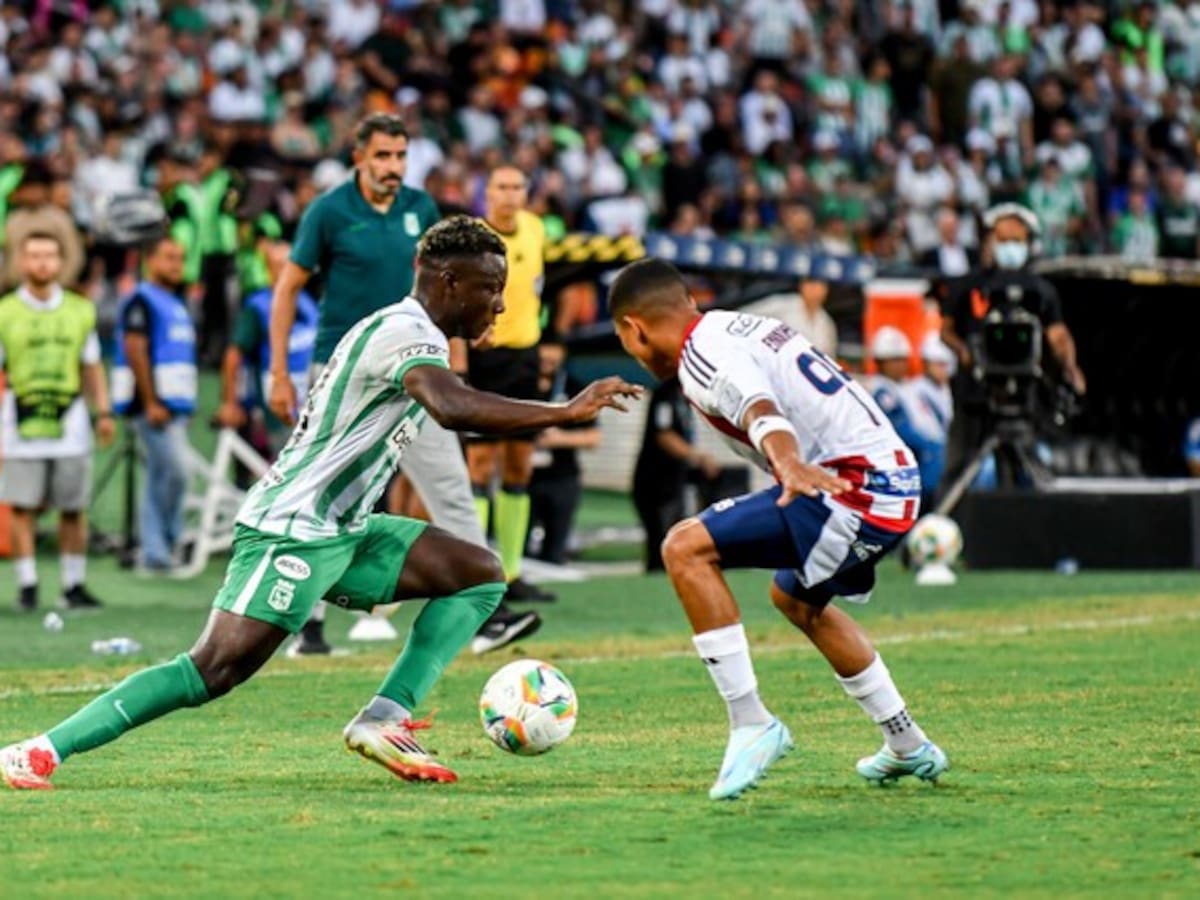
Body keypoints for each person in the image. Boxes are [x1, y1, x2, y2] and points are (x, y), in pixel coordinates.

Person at [0, 216, 640, 791]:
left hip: (347, 528)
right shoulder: (404, 332)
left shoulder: (414, 333)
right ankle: (39, 751)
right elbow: (451, 407)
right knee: (212, 670)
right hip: (294, 530)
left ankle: (385, 719)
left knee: (479, 575)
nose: (501, 302)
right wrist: (563, 409)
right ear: (447, 280)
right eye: (490, 287)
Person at [607, 258, 947, 801]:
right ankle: (907, 743)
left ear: (633, 328)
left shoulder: (701, 354)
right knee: (795, 598)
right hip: (895, 481)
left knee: (684, 548)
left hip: (851, 486)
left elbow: (761, 409)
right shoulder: (736, 326)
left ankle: (751, 722)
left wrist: (786, 461)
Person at [268, 114, 538, 655]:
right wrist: (280, 372)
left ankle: (486, 609)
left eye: (400, 156)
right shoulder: (329, 212)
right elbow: (287, 288)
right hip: (347, 372)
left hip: (420, 371)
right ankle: (306, 624)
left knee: (451, 487)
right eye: (382, 157)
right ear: (359, 158)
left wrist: (457, 357)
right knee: (324, 496)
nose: (393, 167)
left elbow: (451, 284)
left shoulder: (421, 209)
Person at [0, 232, 115, 611]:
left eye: (49, 255)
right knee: (21, 505)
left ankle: (73, 585)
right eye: (34, 255)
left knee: (72, 506)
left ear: (61, 261)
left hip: (72, 425)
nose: (42, 263)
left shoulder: (80, 310)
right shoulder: (5, 312)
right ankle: (28, 584)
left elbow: (91, 365)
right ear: (21, 262)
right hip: (20, 423)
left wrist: (104, 411)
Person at [461, 164, 558, 604]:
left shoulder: (536, 230)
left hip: (523, 357)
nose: (510, 194)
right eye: (501, 186)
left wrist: (546, 343)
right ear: (486, 193)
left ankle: (512, 573)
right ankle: (477, 571)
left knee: (519, 465)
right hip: (483, 360)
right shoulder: (473, 238)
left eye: (518, 186)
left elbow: (541, 290)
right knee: (480, 467)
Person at [940, 203, 1086, 496]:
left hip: (1024, 392)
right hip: (975, 392)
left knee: (1025, 470)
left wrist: (1070, 367)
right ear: (990, 239)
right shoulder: (968, 286)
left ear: (1029, 242)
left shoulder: (1040, 290)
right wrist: (964, 351)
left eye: (1016, 240)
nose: (1010, 246)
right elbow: (945, 329)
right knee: (959, 467)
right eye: (1003, 239)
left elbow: (1058, 335)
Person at [111, 236, 198, 574]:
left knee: (161, 476)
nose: (177, 264)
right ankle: (165, 541)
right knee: (176, 471)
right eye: (169, 257)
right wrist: (150, 400)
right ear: (150, 261)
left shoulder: (174, 302)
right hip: (151, 406)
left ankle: (157, 550)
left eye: (180, 257)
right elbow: (135, 348)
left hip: (173, 405)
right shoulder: (142, 300)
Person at [215, 240, 317, 459]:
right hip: (278, 408)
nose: (287, 271)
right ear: (269, 271)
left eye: (292, 264)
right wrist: (230, 403)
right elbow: (234, 355)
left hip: (309, 408)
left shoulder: (308, 303)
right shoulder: (259, 306)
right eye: (280, 265)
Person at [632, 376, 721, 573]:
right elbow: (664, 435)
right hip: (656, 480)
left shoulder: (684, 397)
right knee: (661, 539)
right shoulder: (666, 394)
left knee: (674, 532)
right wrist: (697, 456)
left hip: (674, 479)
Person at [524, 350, 601, 572]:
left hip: (562, 477)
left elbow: (594, 437)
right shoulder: (520, 384)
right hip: (523, 477)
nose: (548, 358)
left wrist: (559, 439)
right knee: (518, 545)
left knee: (555, 547)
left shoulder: (574, 387)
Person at [904, 333, 956, 512]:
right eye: (939, 364)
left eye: (946, 365)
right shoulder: (912, 390)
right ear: (926, 363)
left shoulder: (950, 391)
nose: (943, 370)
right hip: (923, 455)